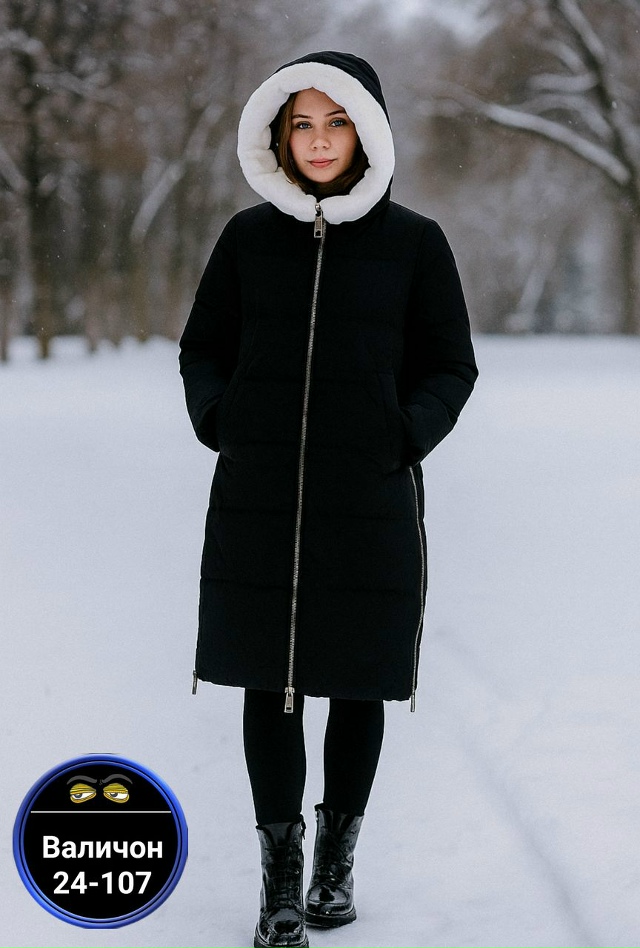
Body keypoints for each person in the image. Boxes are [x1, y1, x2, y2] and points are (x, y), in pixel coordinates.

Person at [179, 51, 477, 948]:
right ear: (279, 136)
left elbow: (450, 365)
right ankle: (280, 881)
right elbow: (202, 348)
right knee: (269, 682)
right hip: (260, 498)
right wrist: (222, 420)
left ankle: (335, 866)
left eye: (336, 122)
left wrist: (402, 435)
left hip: (368, 500)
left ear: (367, 132)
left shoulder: (414, 243)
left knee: (355, 684)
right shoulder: (246, 239)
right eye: (301, 124)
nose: (317, 140)